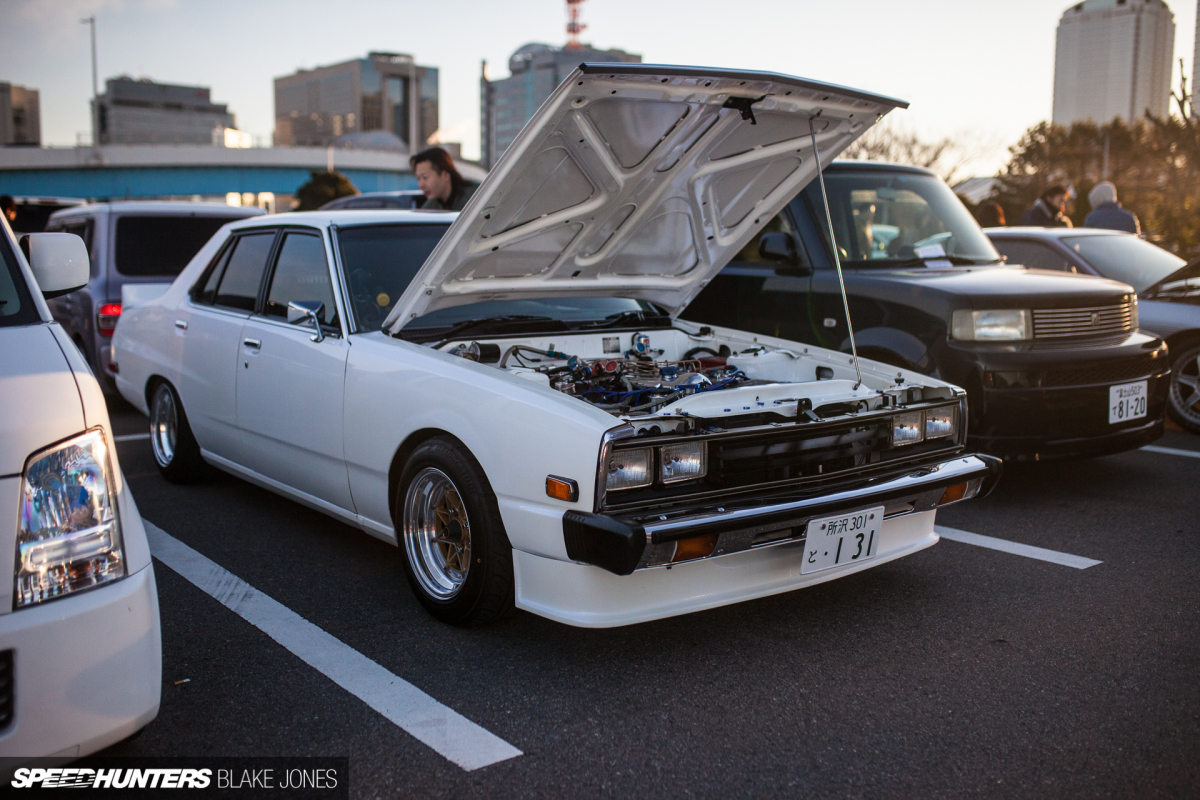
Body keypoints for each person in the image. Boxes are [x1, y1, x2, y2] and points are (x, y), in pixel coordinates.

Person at [410, 147, 475, 211]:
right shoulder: (430, 207)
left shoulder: (474, 199)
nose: (421, 185)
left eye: (425, 177)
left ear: (445, 175)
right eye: (418, 178)